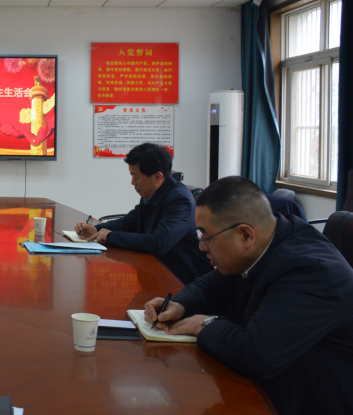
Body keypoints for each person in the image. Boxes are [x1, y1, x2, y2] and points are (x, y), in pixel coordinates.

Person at [144, 176, 353, 414]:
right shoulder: (266, 242)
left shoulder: (309, 270)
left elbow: (256, 355)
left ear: (245, 235)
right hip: (277, 387)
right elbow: (213, 283)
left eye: (206, 236)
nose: (201, 246)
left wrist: (204, 324)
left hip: (315, 402)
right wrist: (179, 304)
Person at [75, 142, 210, 284]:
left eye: (136, 176)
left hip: (183, 281)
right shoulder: (152, 193)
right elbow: (128, 223)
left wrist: (109, 236)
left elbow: (159, 243)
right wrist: (96, 229)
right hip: (158, 274)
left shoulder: (180, 200)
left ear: (157, 177)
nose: (132, 182)